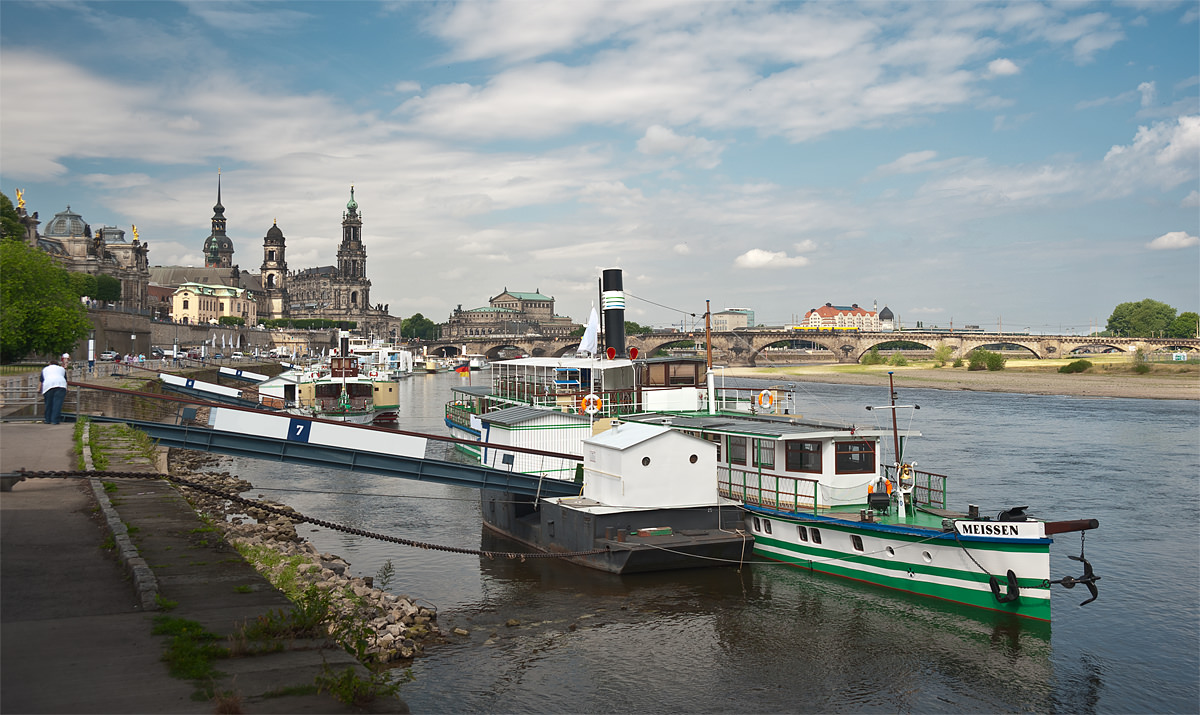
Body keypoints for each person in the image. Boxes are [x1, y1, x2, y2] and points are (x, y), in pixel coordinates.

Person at [40, 356, 69, 425]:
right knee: (57, 404)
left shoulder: (45, 369)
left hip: (48, 385)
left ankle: (47, 419)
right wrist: (67, 388)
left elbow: (41, 381)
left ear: (49, 364)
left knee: (48, 403)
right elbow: (65, 380)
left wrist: (39, 389)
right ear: (57, 364)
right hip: (61, 385)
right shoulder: (62, 369)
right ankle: (55, 420)